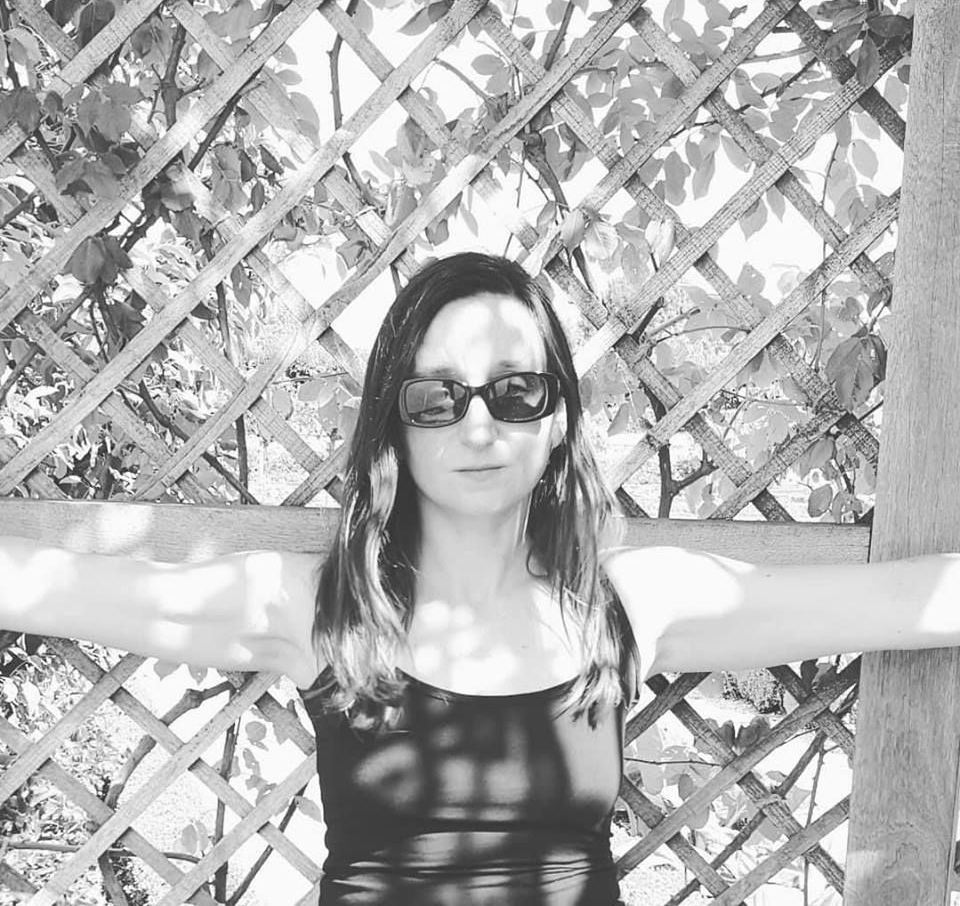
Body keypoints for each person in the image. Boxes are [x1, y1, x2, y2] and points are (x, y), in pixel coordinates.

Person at [2, 251, 959, 906]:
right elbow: (52, 584)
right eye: (438, 396)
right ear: (394, 420)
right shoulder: (315, 609)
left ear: (557, 419)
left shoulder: (626, 608)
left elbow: (910, 603)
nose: (478, 425)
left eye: (515, 390)